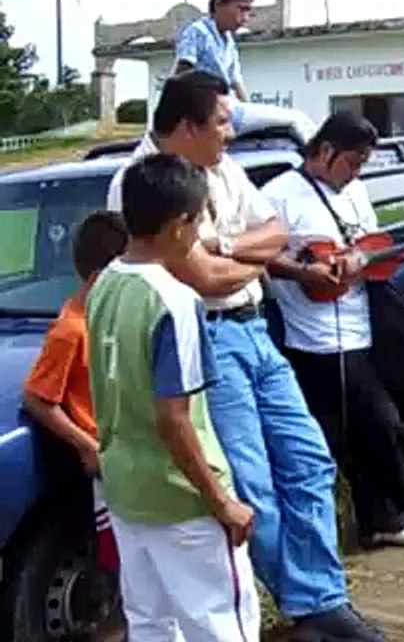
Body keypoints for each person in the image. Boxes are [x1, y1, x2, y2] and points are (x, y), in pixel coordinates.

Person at [106, 71, 382, 640]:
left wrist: (230, 247)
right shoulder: (143, 183)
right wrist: (249, 260)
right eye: (223, 123)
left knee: (309, 460)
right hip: (209, 337)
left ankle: (318, 598)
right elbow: (202, 279)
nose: (230, 134)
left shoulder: (221, 168)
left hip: (255, 328)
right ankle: (308, 607)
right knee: (252, 484)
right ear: (186, 126)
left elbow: (275, 233)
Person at [87, 153, 259, 639]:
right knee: (219, 624)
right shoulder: (176, 299)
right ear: (180, 225)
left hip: (125, 488)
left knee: (150, 623)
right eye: (199, 218)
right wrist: (221, 501)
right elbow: (174, 419)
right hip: (181, 498)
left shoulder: (104, 283)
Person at [261, 110, 404, 548]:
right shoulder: (277, 196)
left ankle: (390, 509)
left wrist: (401, 255)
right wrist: (303, 273)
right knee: (371, 422)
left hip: (365, 322)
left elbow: (370, 249)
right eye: (352, 162)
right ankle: (386, 515)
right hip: (318, 337)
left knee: (395, 408)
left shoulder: (355, 191)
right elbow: (261, 257)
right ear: (325, 151)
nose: (356, 173)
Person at [22, 211, 128, 577]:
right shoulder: (70, 330)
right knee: (120, 558)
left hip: (129, 456)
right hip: (105, 463)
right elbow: (37, 399)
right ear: (101, 277)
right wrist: (86, 444)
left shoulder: (110, 317)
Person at [175, 0, 257, 102]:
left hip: (223, 106)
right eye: (241, 9)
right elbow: (181, 74)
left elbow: (236, 81)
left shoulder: (229, 42)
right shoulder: (198, 32)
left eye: (248, 11)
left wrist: (249, 110)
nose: (245, 18)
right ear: (219, 3)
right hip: (202, 106)